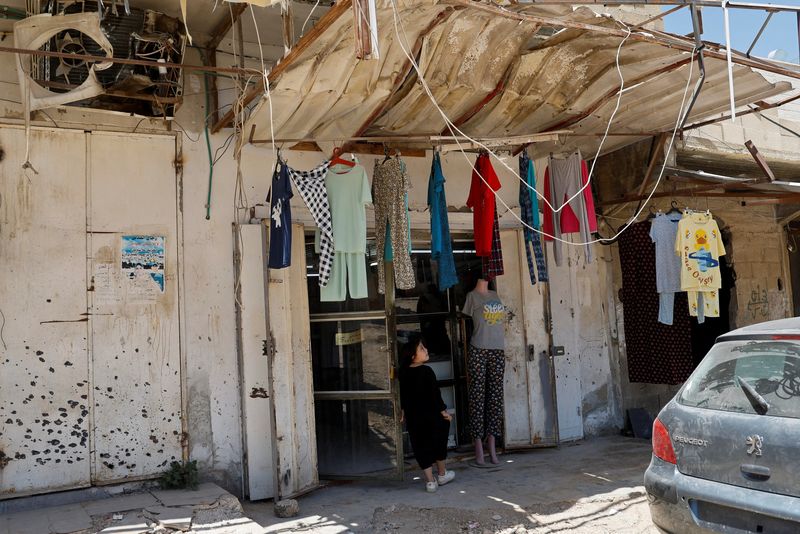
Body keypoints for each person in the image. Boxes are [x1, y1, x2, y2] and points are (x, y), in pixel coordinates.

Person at [399, 336, 456, 493]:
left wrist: (403, 411)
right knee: (439, 443)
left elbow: (402, 396)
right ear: (413, 356)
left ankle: (430, 482)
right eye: (422, 349)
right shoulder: (426, 371)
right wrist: (444, 412)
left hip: (415, 419)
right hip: (432, 417)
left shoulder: (403, 374)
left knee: (421, 447)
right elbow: (435, 395)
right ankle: (442, 474)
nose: (426, 350)